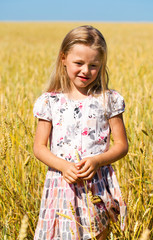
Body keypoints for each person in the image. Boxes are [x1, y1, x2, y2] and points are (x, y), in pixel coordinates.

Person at [33, 25, 128, 240]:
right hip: (61, 182)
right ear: (63, 58)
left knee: (96, 235)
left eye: (93, 65)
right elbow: (39, 147)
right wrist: (64, 166)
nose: (85, 70)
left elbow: (122, 145)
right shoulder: (50, 101)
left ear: (101, 65)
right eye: (79, 63)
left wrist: (96, 161)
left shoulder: (109, 100)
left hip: (96, 184)